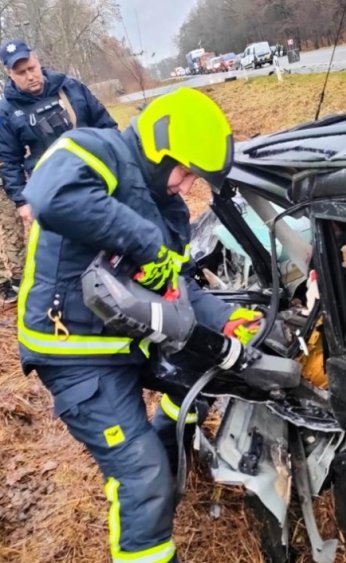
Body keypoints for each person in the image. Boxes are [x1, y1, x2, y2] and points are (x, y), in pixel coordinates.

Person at [18, 87, 261, 563]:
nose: (187, 186)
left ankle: (170, 464)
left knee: (200, 380)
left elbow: (174, 283)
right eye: (185, 170)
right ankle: (153, 496)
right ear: (158, 148)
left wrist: (224, 317)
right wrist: (145, 240)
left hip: (127, 340)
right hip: (74, 355)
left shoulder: (167, 209)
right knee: (139, 476)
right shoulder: (96, 150)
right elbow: (49, 196)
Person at [0, 39, 117, 303]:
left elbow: (106, 124)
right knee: (68, 254)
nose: (30, 76)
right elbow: (9, 161)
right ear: (10, 74)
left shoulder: (71, 87)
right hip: (51, 192)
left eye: (31, 67)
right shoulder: (7, 111)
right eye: (21, 73)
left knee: (111, 236)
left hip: (95, 178)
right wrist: (21, 201)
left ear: (38, 60)